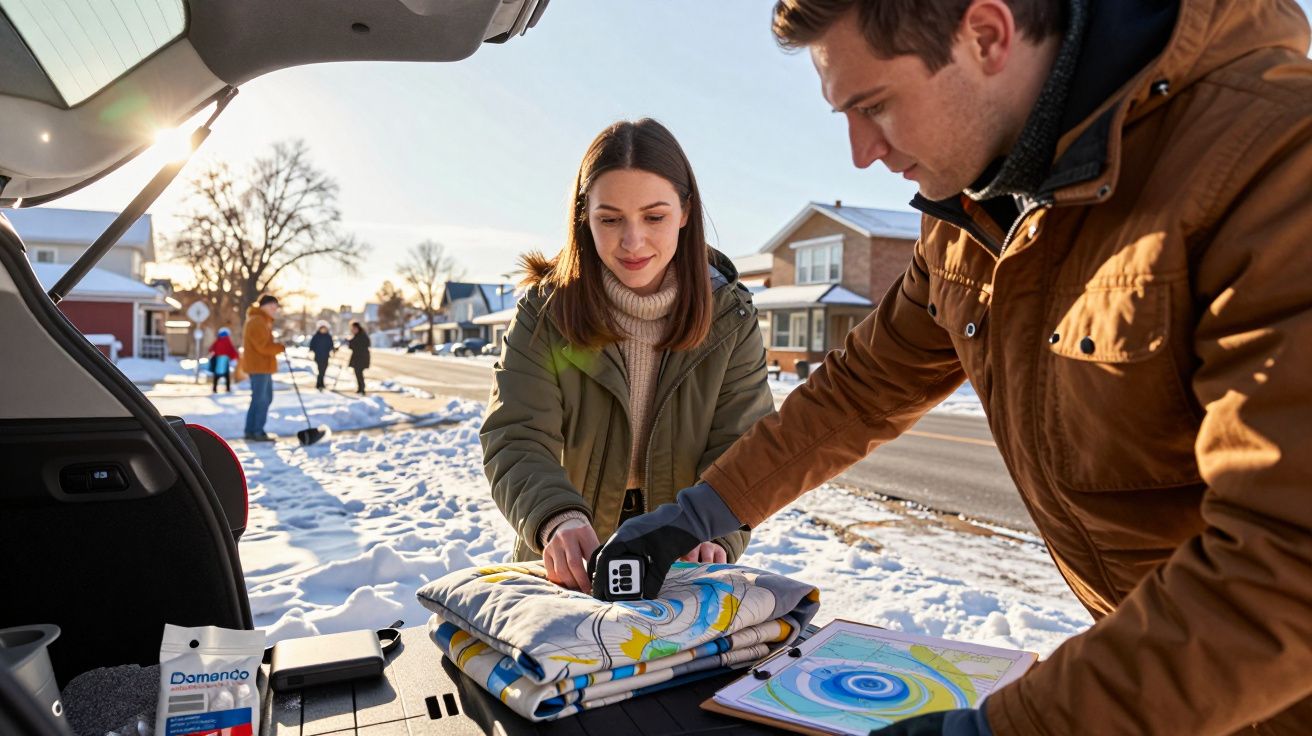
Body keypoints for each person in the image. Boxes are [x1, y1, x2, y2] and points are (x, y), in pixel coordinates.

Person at [592, 1, 1312, 734]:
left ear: (988, 35)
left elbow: (1289, 560)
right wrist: (699, 515)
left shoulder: (1276, 157)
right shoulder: (974, 213)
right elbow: (860, 391)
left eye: (874, 106)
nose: (860, 152)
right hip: (1164, 690)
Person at [481, 118, 774, 591]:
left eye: (654, 217)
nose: (632, 241)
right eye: (610, 219)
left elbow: (742, 442)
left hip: (684, 555)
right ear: (584, 217)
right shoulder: (545, 313)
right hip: (567, 560)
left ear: (685, 212)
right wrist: (555, 518)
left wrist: (713, 528)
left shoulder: (730, 319)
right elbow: (516, 436)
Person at [241, 294, 285, 441]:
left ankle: (252, 431)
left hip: (262, 366)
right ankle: (256, 432)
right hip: (259, 367)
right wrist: (279, 347)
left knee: (263, 398)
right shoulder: (257, 321)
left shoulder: (261, 321)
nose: (275, 310)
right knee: (261, 399)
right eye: (272, 307)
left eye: (276, 307)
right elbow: (263, 347)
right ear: (263, 306)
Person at [207, 327, 239, 393]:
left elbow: (211, 349)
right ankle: (228, 388)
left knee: (216, 374)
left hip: (217, 359)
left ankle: (214, 389)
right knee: (226, 375)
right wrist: (236, 357)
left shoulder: (218, 340)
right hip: (225, 360)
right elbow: (232, 350)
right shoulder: (228, 340)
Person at [346, 321, 371, 395]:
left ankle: (362, 388)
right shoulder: (356, 336)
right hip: (357, 357)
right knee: (357, 373)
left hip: (362, 358)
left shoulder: (362, 336)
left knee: (359, 373)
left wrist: (351, 342)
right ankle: (360, 388)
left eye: (354, 328)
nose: (353, 330)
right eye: (352, 328)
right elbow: (352, 346)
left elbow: (362, 345)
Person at [309, 321, 335, 390]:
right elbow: (312, 345)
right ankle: (319, 384)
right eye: (322, 329)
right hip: (318, 356)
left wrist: (333, 349)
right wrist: (313, 350)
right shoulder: (316, 336)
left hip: (326, 356)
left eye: (325, 329)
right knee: (320, 370)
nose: (323, 330)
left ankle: (321, 383)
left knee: (323, 370)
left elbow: (331, 345)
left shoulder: (328, 336)